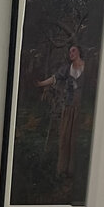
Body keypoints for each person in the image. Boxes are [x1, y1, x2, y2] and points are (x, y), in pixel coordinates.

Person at [37, 43, 85, 178]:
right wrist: (41, 84)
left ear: (79, 52)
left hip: (81, 109)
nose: (71, 54)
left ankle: (73, 171)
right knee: (64, 138)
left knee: (75, 140)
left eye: (73, 51)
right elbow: (55, 78)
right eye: (70, 52)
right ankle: (62, 170)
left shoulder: (87, 67)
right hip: (69, 107)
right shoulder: (67, 69)